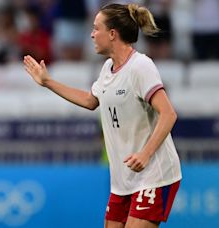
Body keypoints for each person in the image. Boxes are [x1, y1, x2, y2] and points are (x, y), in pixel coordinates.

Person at [23, 3, 181, 228]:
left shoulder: (141, 67)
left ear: (113, 34)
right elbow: (90, 101)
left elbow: (169, 114)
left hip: (153, 174)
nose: (91, 34)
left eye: (96, 28)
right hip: (123, 180)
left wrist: (145, 154)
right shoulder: (108, 68)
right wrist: (48, 82)